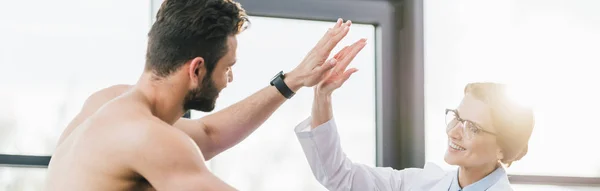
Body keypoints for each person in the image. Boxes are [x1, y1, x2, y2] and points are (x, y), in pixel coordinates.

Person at [44, 0, 367, 190]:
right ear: (196, 69)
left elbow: (208, 134)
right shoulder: (149, 138)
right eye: (227, 67)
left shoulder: (108, 104)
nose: (230, 78)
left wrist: (291, 81)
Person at [294, 73, 534, 190]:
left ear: (502, 148)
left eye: (472, 127)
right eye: (457, 118)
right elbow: (340, 177)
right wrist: (322, 96)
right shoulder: (420, 183)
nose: (454, 132)